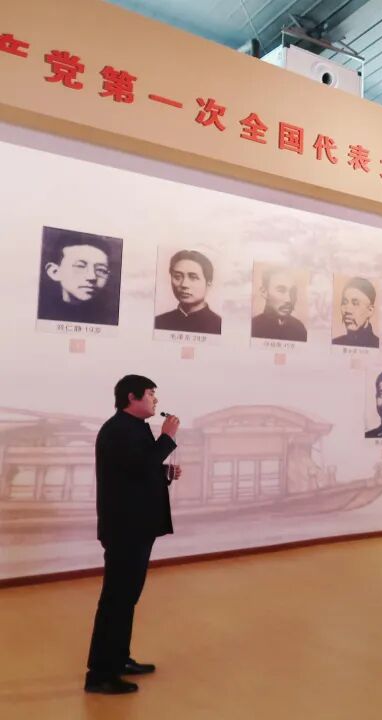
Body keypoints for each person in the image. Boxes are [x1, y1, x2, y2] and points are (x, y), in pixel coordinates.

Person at [85, 375, 181, 694]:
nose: (155, 400)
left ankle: (119, 660)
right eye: (151, 394)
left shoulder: (135, 428)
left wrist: (164, 472)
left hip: (137, 526)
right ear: (132, 397)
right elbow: (138, 466)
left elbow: (135, 470)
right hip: (124, 528)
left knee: (127, 598)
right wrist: (167, 438)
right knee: (117, 599)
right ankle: (100, 675)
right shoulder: (117, 430)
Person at [38, 229, 118, 326]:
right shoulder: (41, 311)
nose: (92, 277)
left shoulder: (110, 318)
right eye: (80, 266)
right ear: (55, 272)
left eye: (101, 270)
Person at [154, 250, 222, 334]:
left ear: (208, 284)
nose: (184, 284)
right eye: (177, 277)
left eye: (193, 277)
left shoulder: (218, 325)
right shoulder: (159, 322)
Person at [251, 266, 307, 342]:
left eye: (293, 292)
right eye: (281, 290)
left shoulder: (299, 329)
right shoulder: (254, 327)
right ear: (264, 292)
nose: (289, 300)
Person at [332, 277, 379, 348]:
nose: (347, 310)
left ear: (370, 310)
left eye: (355, 303)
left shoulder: (378, 345)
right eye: (344, 302)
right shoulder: (336, 343)